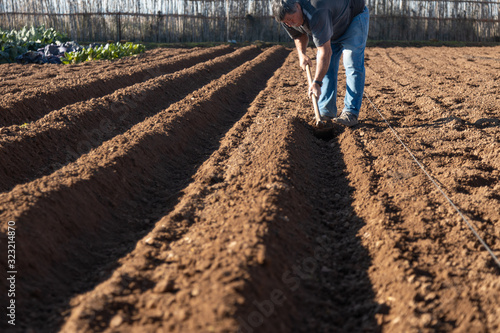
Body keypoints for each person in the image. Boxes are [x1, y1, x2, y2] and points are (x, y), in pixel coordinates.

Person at [272, 0, 369, 127]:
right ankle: (326, 111)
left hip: (353, 18)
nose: (289, 24)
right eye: (285, 22)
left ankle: (351, 113)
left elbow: (325, 51)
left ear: (297, 6)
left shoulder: (316, 11)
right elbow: (298, 35)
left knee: (351, 62)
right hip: (331, 25)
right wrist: (302, 54)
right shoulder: (286, 17)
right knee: (326, 68)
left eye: (290, 19)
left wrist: (317, 83)